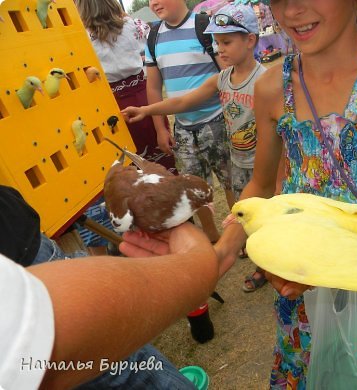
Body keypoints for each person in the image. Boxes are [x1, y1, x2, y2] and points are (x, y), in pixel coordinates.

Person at [210, 0, 357, 387]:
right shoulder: (271, 86)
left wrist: (309, 268)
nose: (291, 11)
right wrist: (220, 254)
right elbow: (261, 184)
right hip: (298, 277)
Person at [122, 4, 268, 293]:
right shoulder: (221, 79)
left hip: (263, 165)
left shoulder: (266, 80)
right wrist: (147, 110)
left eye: (226, 42)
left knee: (266, 216)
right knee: (247, 215)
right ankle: (262, 265)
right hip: (239, 163)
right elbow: (182, 102)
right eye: (216, 43)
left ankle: (271, 263)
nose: (219, 50)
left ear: (250, 40)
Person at [0, 185, 201, 389]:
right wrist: (198, 259)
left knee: (121, 364)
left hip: (19, 245)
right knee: (123, 367)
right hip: (18, 259)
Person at [146, 0, 234, 245]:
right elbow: (153, 87)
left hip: (219, 121)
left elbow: (228, 72)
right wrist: (160, 128)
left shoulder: (205, 26)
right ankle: (213, 238)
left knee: (231, 181)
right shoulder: (153, 36)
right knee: (196, 189)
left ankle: (241, 236)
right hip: (183, 129)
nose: (153, 3)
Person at [75, 0, 176, 173]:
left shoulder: (80, 37)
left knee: (129, 162)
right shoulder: (134, 25)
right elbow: (154, 44)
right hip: (144, 97)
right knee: (160, 158)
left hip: (110, 104)